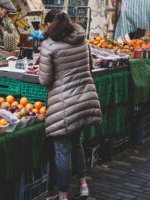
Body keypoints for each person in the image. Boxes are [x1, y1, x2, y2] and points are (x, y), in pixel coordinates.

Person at [38, 9, 102, 200]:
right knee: (76, 142)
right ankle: (83, 186)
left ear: (51, 25)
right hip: (84, 99)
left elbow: (45, 79)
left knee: (62, 149)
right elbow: (90, 65)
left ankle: (63, 195)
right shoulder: (82, 39)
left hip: (64, 104)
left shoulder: (49, 45)